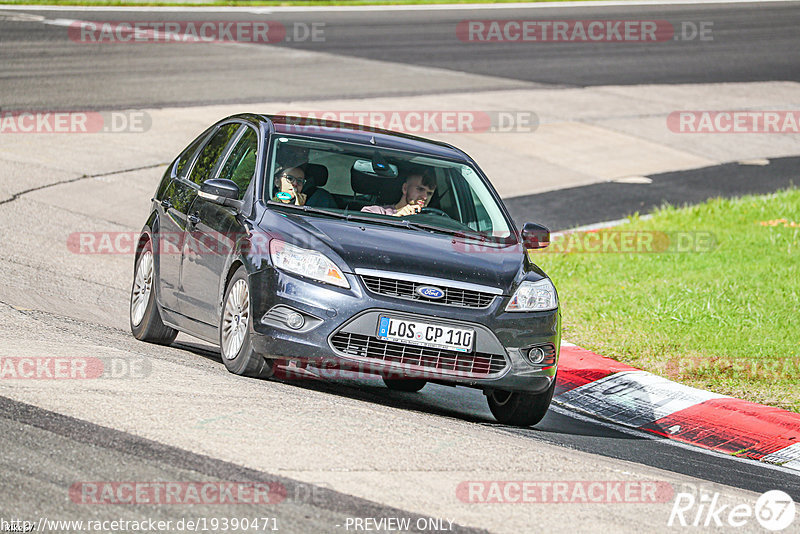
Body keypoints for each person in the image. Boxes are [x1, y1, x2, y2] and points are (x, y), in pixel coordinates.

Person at [361, 172, 436, 216]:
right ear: (405, 188)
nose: (425, 197)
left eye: (429, 193)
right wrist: (396, 218)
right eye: (420, 189)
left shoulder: (432, 222)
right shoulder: (376, 212)